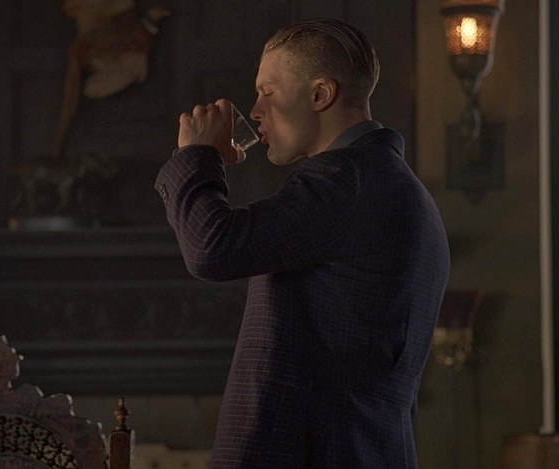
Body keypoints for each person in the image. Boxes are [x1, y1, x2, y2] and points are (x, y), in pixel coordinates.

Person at [154, 18, 450, 468]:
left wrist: (197, 155)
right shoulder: (394, 184)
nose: (255, 110)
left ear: (320, 94)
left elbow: (211, 248)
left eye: (268, 93)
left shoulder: (344, 180)